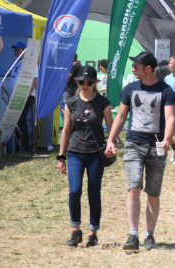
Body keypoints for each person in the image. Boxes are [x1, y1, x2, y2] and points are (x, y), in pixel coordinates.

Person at [105, 51, 175, 251]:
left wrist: (166, 139)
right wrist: (110, 140)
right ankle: (133, 235)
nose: (133, 69)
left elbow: (170, 118)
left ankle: (150, 235)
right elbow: (120, 117)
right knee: (134, 187)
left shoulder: (166, 90)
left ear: (148, 68)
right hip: (134, 144)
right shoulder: (129, 89)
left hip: (156, 146)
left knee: (153, 193)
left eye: (136, 66)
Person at [57, 65, 114, 247]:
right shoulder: (71, 103)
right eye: (81, 82)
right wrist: (61, 156)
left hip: (95, 154)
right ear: (77, 82)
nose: (85, 85)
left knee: (94, 192)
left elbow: (111, 127)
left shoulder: (102, 102)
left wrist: (111, 144)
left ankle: (93, 233)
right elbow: (66, 130)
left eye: (89, 82)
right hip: (75, 153)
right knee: (74, 191)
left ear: (95, 83)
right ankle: (76, 231)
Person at [11, 42, 38, 152]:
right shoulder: (16, 63)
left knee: (22, 120)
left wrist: (27, 95)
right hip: (16, 96)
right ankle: (19, 145)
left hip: (26, 96)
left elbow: (35, 80)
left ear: (25, 51)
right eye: (15, 50)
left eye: (19, 50)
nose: (16, 52)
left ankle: (25, 146)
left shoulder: (30, 63)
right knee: (17, 121)